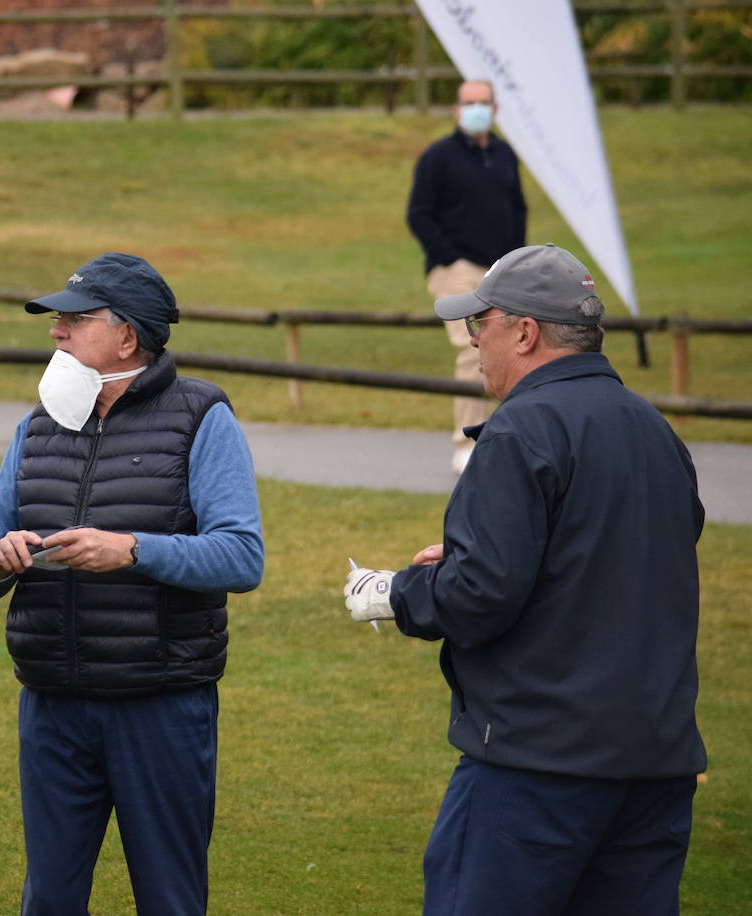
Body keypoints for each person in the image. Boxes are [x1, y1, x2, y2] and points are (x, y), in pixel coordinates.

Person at [343, 244, 706, 916]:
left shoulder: (522, 428)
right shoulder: (655, 429)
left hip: (539, 763)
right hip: (653, 760)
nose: (474, 340)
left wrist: (397, 593)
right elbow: (620, 561)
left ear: (525, 332)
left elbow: (479, 597)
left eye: (482, 324)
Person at [0, 252, 264, 915]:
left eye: (74, 319)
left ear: (127, 335)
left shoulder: (202, 417)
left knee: (169, 900)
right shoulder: (36, 425)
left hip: (160, 706)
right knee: (49, 901)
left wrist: (131, 550)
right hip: (53, 706)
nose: (55, 332)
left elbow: (242, 556)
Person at [407, 79, 528, 474]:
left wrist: (514, 260)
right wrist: (447, 256)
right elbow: (419, 213)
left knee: (514, 347)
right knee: (472, 346)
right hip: (457, 268)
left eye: (484, 102)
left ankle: (510, 436)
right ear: (457, 110)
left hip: (499, 268)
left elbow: (517, 209)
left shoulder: (505, 155)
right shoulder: (438, 157)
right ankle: (466, 441)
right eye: (469, 102)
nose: (476, 108)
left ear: (495, 110)